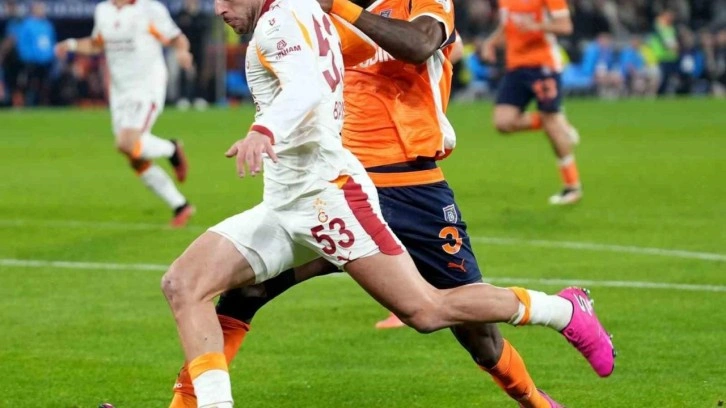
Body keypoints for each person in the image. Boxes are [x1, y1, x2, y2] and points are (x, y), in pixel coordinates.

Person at [160, 0, 616, 406]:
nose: (218, 8)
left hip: (406, 188)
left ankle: (556, 338)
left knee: (454, 325)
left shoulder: (414, 5)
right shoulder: (307, 14)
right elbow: (318, 67)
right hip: (316, 192)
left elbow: (417, 45)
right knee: (218, 289)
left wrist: (267, 124)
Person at [54, 0, 195, 227]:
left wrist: (182, 52)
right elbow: (97, 44)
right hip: (119, 92)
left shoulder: (150, 9)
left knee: (126, 143)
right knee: (134, 156)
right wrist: (70, 44)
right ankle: (180, 205)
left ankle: (171, 149)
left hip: (146, 87)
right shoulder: (103, 10)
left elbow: (177, 38)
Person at [481, 0, 583, 205]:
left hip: (543, 65)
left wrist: (537, 26)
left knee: (551, 125)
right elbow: (507, 25)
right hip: (515, 67)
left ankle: (572, 186)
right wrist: (490, 42)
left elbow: (565, 26)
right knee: (503, 123)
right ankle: (556, 122)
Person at [15, 2, 56, 106]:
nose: (42, 11)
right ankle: (29, 105)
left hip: (46, 62)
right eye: (39, 8)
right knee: (30, 85)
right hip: (31, 62)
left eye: (42, 8)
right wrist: (27, 58)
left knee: (45, 85)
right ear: (33, 10)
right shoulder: (27, 25)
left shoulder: (47, 25)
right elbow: (22, 44)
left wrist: (51, 56)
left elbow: (52, 42)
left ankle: (44, 104)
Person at [174, 0, 210, 111]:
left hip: (199, 48)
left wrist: (192, 20)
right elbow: (178, 29)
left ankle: (200, 97)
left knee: (200, 73)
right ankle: (183, 97)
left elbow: (204, 29)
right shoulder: (181, 14)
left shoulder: (202, 15)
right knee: (183, 73)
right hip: (185, 48)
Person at [0, 0, 24, 107]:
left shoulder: (18, 20)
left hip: (18, 58)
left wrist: (2, 52)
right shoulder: (7, 21)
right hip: (9, 59)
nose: (9, 9)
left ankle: (18, 104)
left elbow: (12, 39)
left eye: (11, 6)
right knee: (10, 82)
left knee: (17, 84)